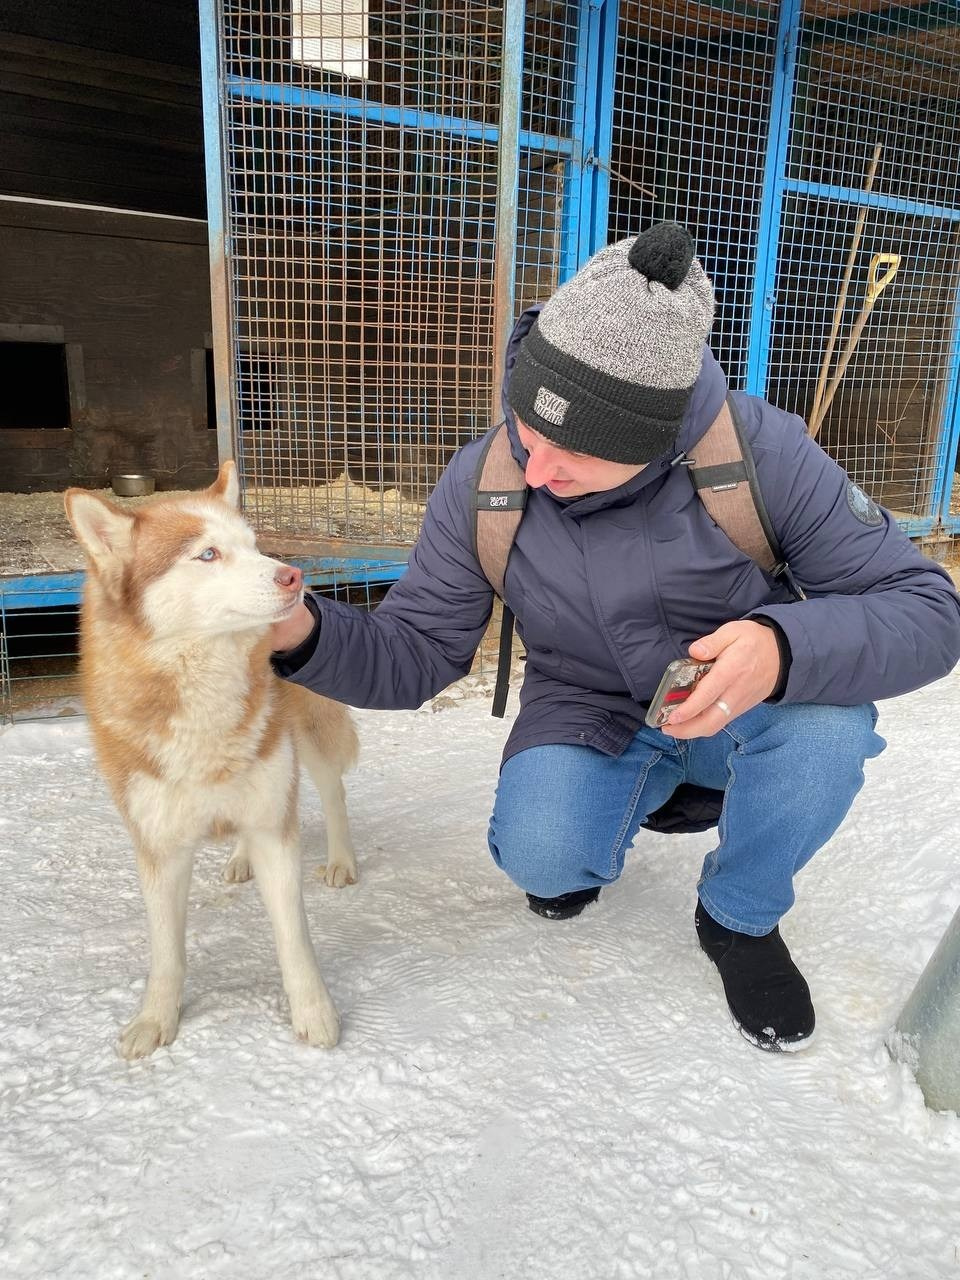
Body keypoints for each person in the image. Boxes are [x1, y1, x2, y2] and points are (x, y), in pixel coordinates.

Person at [270, 222, 960, 1052]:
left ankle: (738, 914)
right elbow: (417, 650)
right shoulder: (486, 480)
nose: (536, 468)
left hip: (738, 695)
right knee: (542, 862)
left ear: (653, 442)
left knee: (827, 731)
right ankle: (657, 792)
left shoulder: (761, 452)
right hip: (588, 700)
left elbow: (928, 608)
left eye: (577, 452)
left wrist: (781, 649)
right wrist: (303, 631)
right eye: (531, 427)